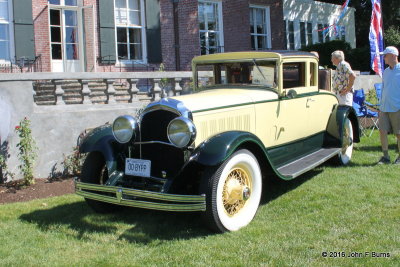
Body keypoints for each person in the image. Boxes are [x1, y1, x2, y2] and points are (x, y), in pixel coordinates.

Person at [377, 46, 400, 164]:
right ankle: (385, 156)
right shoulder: (385, 71)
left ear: (393, 56)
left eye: (385, 56)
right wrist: (381, 106)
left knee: (399, 133)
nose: (384, 58)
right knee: (382, 131)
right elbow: (385, 89)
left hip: (397, 107)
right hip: (384, 107)